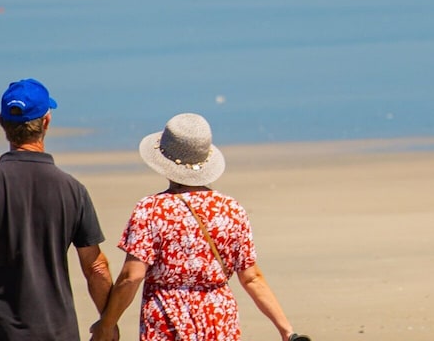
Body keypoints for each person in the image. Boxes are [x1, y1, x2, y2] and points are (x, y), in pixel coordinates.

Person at [95, 113, 298, 341]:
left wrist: (108, 323)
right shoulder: (231, 209)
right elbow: (252, 278)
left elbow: (131, 277)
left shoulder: (150, 209)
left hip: (166, 319)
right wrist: (286, 330)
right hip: (219, 317)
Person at [0, 78, 118, 341]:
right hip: (59, 331)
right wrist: (108, 323)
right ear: (46, 121)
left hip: (0, 330)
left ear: (2, 123)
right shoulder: (72, 189)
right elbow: (95, 267)